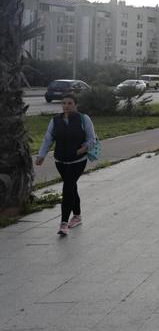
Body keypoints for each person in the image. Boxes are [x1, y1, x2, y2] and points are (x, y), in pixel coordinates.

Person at [35, 94, 96, 236]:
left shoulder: (83, 119)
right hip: (60, 161)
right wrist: (41, 155)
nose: (66, 106)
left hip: (78, 161)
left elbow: (92, 139)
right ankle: (77, 216)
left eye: (70, 103)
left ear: (75, 104)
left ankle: (64, 223)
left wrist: (81, 150)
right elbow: (48, 139)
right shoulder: (55, 120)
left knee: (67, 187)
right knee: (71, 187)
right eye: (64, 103)